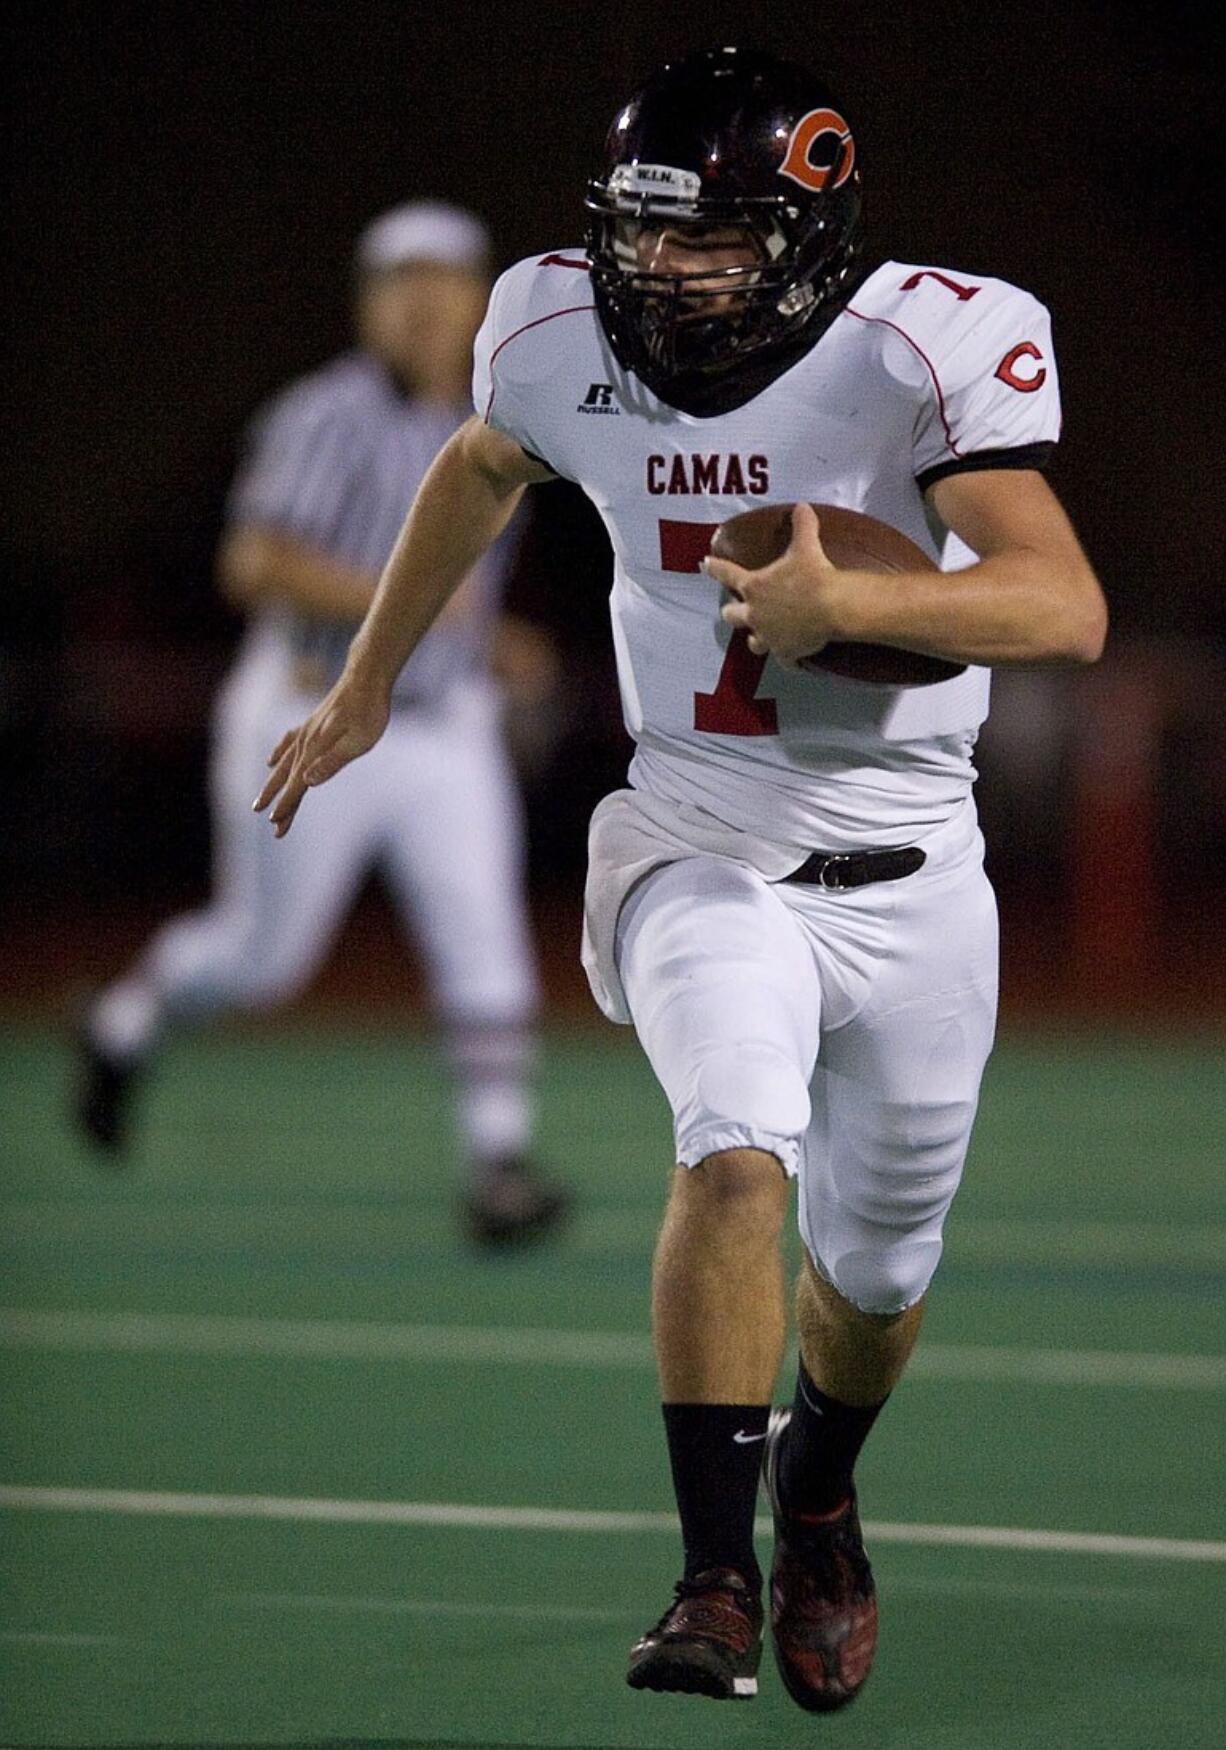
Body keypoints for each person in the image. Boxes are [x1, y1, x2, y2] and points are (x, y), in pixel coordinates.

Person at [254, 49, 1107, 1711]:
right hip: (694, 838)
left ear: (805, 227)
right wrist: (365, 685)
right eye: (644, 235)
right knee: (731, 1155)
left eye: (707, 238)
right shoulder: (554, 332)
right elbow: (482, 468)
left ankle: (823, 1492)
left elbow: (1058, 604)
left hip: (918, 870)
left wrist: (851, 614)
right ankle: (712, 1577)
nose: (662, 272)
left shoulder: (918, 346)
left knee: (875, 1283)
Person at [74, 199, 570, 1248]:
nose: (426, 302)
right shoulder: (322, 414)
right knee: (263, 961)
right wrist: (408, 605)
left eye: (445, 280)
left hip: (441, 721)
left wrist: (484, 640)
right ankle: (124, 1024)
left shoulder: (496, 416)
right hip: (307, 711)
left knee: (482, 935)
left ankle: (498, 1163)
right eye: (404, 282)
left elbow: (462, 595)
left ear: (481, 297)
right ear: (366, 304)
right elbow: (251, 563)